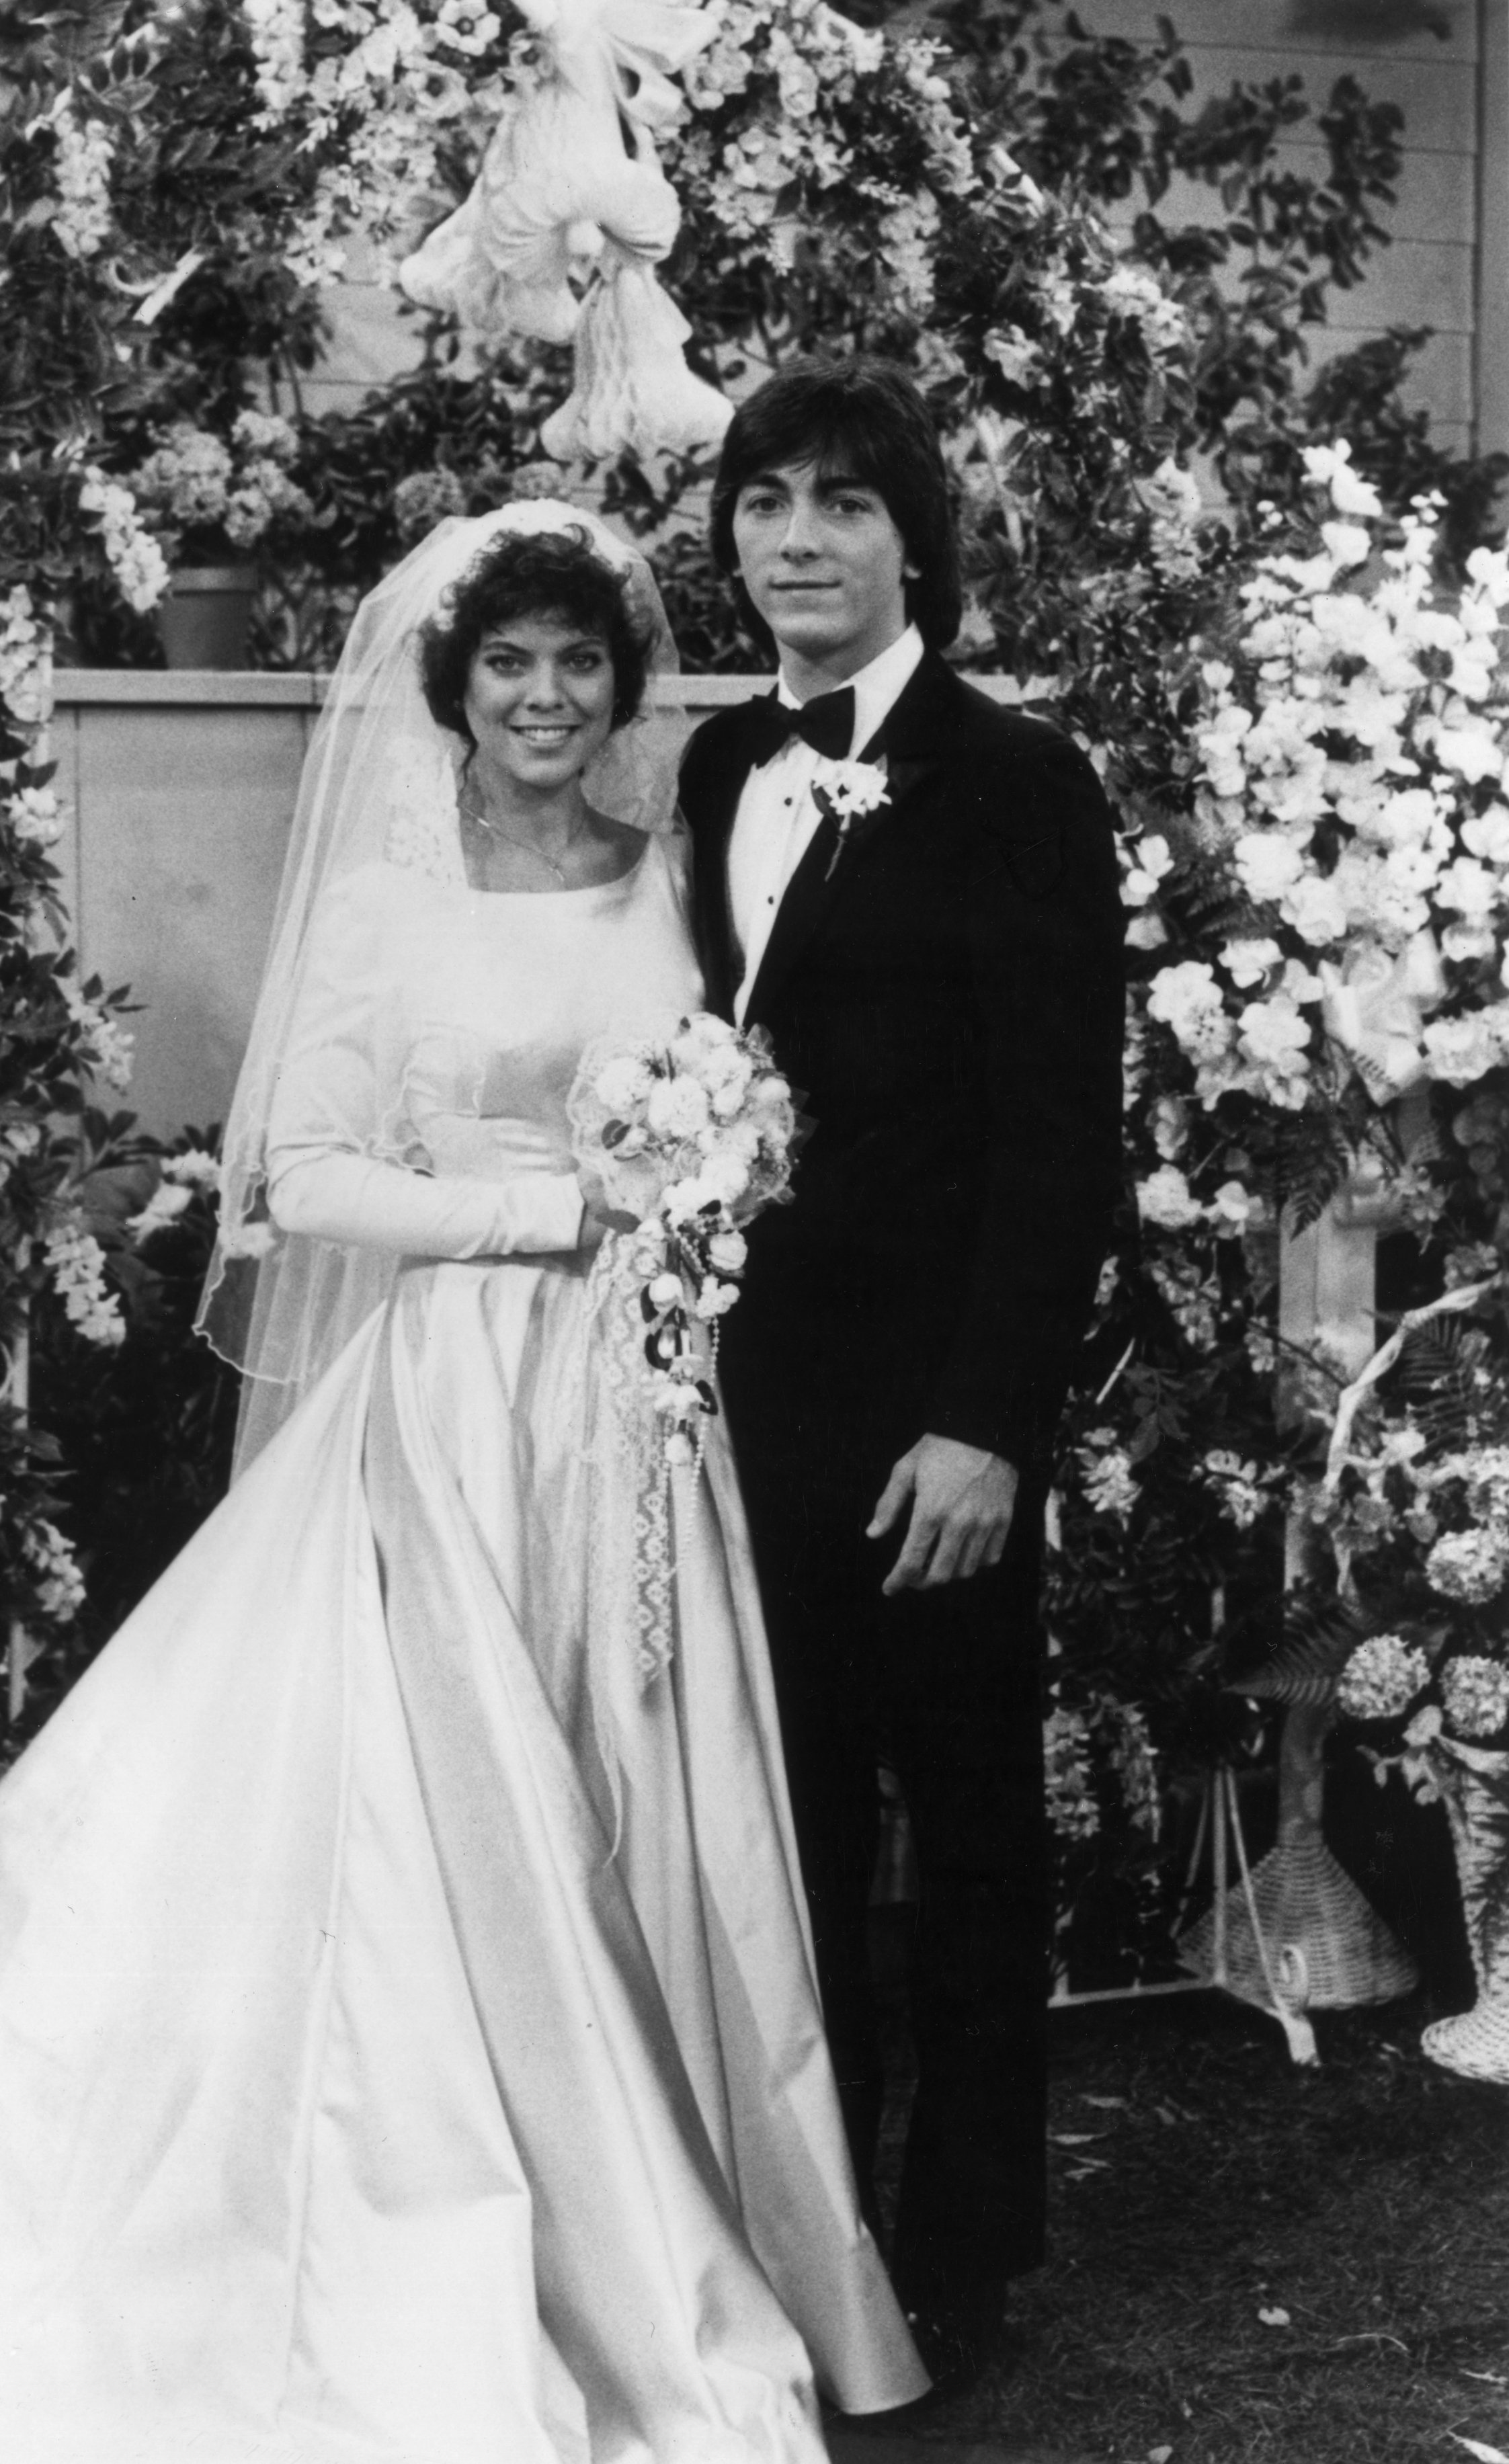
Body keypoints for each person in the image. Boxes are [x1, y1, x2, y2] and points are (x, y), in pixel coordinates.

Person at [0, 501, 926, 2463]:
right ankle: (500, 2225)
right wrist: (550, 1208)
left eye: (576, 664)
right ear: (455, 686)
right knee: (464, 1824)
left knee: (645, 1790)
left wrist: (707, 1182)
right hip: (446, 1404)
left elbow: (716, 1094)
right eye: (508, 664)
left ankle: (688, 2196)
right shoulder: (380, 901)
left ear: (620, 688)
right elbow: (302, 1182)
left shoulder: (667, 868)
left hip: (640, 1414)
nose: (544, 695)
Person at [680, 358, 1125, 2404]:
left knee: (963, 1840)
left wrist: (989, 1423)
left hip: (934, 1413)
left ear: (912, 537)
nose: (798, 542)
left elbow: (1060, 1140)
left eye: (842, 505)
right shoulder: (712, 773)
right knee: (780, 1828)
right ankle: (816, 2238)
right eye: (766, 503)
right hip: (744, 1405)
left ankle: (967, 2247)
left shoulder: (1021, 781)